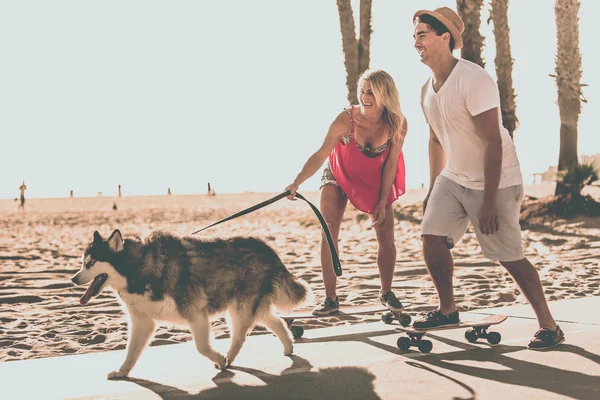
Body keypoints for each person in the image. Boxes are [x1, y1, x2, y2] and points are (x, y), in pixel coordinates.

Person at [412, 7, 563, 349]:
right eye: (415, 36)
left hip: (496, 179)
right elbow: (436, 139)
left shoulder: (474, 79)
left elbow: (493, 142)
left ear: (444, 38)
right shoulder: (426, 90)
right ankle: (447, 309)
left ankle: (549, 325)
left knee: (508, 255)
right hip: (454, 177)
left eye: (422, 34)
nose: (416, 42)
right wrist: (435, 183)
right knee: (431, 236)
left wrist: (490, 201)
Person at [286, 69, 408, 315]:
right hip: (338, 173)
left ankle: (386, 292)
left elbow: (392, 163)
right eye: (362, 91)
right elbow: (321, 153)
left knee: (386, 236)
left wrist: (383, 200)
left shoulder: (397, 122)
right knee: (329, 231)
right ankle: (330, 298)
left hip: (375, 177)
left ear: (385, 94)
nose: (364, 97)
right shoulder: (346, 120)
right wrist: (296, 181)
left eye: (371, 92)